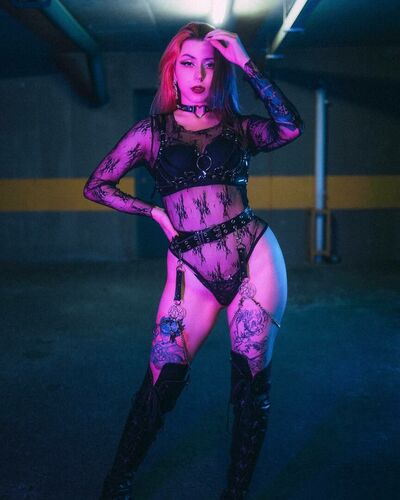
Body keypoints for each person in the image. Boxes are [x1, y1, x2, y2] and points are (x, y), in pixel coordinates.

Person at [83, 21, 303, 500]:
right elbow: (96, 186)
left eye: (209, 65)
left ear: (220, 72)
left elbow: (289, 127)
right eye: (188, 63)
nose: (199, 74)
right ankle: (116, 485)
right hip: (191, 272)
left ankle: (235, 493)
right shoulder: (151, 133)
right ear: (173, 72)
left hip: (253, 257)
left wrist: (247, 63)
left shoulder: (237, 126)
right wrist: (154, 212)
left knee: (251, 385)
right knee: (161, 382)